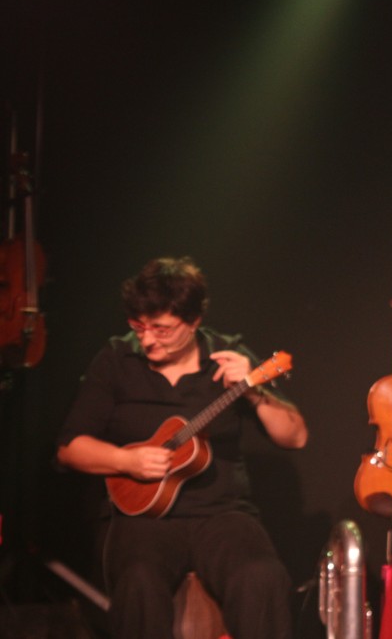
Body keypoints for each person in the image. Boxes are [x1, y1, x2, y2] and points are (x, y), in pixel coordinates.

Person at [56, 256, 308, 639]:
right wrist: (125, 460)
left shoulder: (228, 355)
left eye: (162, 329)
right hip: (142, 518)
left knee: (262, 576)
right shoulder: (116, 359)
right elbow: (69, 447)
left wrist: (254, 392)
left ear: (193, 322)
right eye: (138, 326)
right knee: (138, 580)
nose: (147, 339)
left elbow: (295, 437)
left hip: (222, 513)